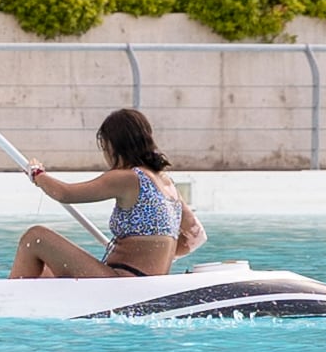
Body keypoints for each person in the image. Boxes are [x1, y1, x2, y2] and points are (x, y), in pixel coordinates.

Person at [13, 106, 201, 279]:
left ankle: (7, 297)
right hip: (143, 283)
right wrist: (156, 257)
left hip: (122, 282)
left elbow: (64, 193)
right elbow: (196, 236)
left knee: (36, 237)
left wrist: (37, 174)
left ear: (114, 146)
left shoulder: (128, 178)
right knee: (44, 274)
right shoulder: (168, 185)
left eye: (104, 147)